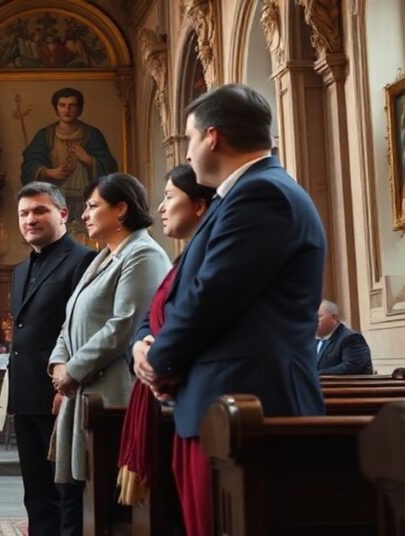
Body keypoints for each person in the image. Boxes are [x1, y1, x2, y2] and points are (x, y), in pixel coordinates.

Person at [133, 84, 327, 536]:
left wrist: (157, 362)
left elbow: (212, 295)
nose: (188, 150)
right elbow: (184, 290)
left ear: (212, 137)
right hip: (220, 404)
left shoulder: (262, 195)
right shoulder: (238, 198)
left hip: (245, 404)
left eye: (188, 138)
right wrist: (147, 349)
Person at [48, 173, 171, 535]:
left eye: (92, 206)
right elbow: (71, 318)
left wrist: (72, 370)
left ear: (121, 209)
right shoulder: (105, 257)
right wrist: (58, 362)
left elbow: (123, 326)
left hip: (113, 392)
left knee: (103, 501)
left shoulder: (143, 254)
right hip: (84, 390)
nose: (84, 214)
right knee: (77, 498)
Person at [117, 164, 215, 507]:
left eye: (170, 196)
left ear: (199, 205)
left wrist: (155, 361)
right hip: (168, 390)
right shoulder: (182, 258)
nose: (160, 206)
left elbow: (198, 317)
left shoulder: (206, 255)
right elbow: (150, 315)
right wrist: (140, 346)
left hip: (192, 398)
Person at [9, 181, 96, 535]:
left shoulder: (84, 261)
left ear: (63, 214)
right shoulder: (19, 270)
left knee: (65, 492)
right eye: (24, 213)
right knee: (36, 491)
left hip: (59, 393)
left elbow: (81, 329)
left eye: (40, 210)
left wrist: (67, 385)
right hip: (26, 394)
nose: (31, 219)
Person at [21, 87, 117, 218]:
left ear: (80, 109)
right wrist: (48, 172)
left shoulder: (92, 134)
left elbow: (110, 167)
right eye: (62, 105)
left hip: (85, 202)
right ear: (56, 109)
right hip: (54, 200)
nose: (67, 110)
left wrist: (88, 160)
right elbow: (29, 165)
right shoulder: (45, 135)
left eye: (72, 106)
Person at [316, 299, 373, 375]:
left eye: (318, 316)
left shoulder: (352, 338)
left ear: (334, 318)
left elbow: (352, 367)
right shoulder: (315, 341)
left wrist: (314, 374)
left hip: (345, 386)